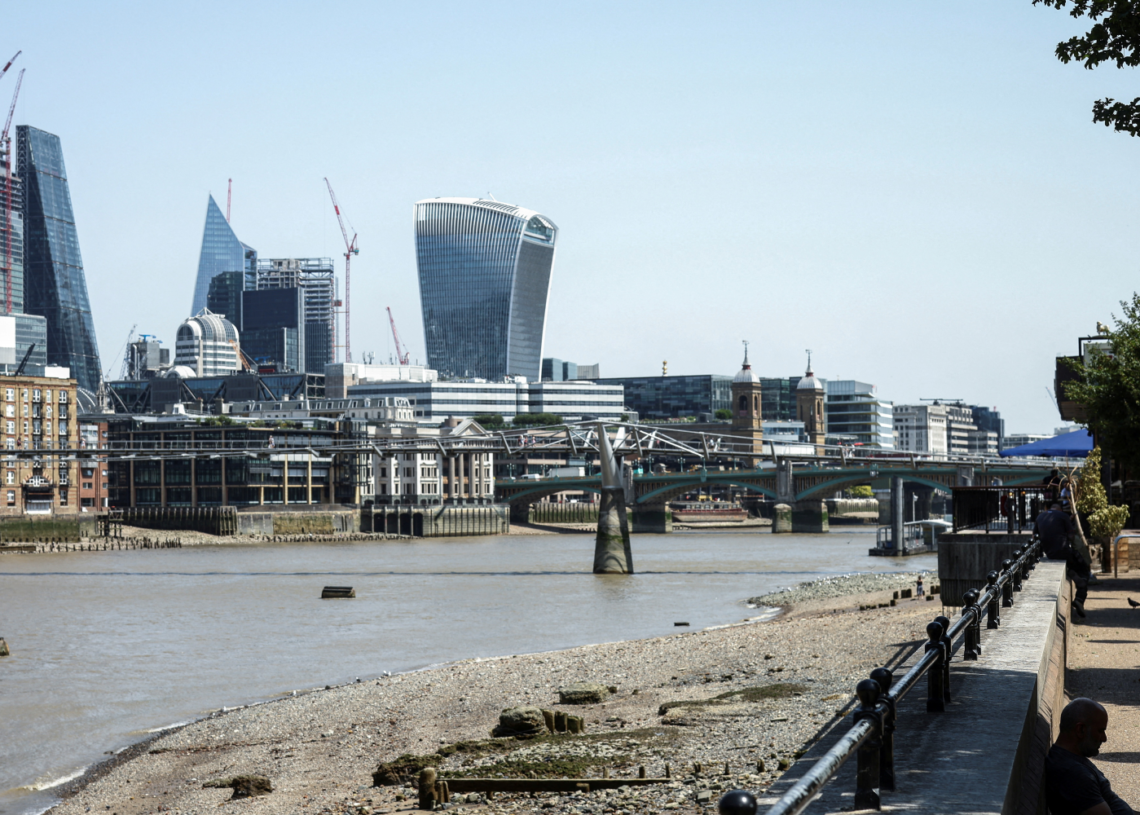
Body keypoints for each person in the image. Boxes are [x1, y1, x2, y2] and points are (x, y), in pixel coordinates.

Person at [1045, 698, 1135, 815]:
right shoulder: (1073, 774)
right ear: (1080, 730)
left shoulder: (1070, 760)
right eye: (1100, 731)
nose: (1104, 738)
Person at [1035, 501, 1090, 617]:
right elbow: (1070, 536)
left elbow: (1035, 536)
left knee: (1073, 567)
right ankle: (1080, 598)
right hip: (1064, 552)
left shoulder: (1040, 516)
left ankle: (1073, 574)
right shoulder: (1064, 516)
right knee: (1085, 570)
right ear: (1060, 510)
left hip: (1049, 553)